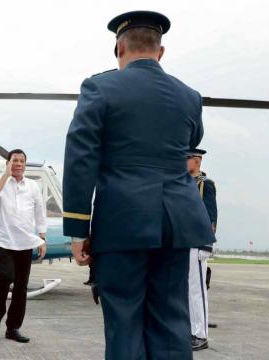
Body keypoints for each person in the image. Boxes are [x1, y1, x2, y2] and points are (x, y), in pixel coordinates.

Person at [62, 11, 216, 359]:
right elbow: (193, 139)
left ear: (119, 48)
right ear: (161, 52)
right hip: (177, 224)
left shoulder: (99, 88)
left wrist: (76, 228)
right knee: (171, 322)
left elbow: (80, 158)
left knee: (125, 321)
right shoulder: (189, 96)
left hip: (123, 222)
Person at [0, 149, 47, 343]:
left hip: (26, 242)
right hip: (5, 241)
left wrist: (42, 237)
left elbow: (39, 211)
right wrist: (6, 173)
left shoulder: (32, 186)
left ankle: (13, 328)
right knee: (6, 277)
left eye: (21, 161)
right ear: (8, 162)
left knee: (21, 286)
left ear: (25, 164)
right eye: (14, 161)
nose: (18, 164)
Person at [186, 148, 218, 351]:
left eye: (186, 158)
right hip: (182, 243)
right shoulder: (184, 184)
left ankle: (201, 334)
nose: (183, 161)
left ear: (196, 161)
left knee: (197, 292)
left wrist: (206, 244)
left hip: (197, 243)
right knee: (186, 291)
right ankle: (190, 330)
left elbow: (210, 216)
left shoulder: (205, 185)